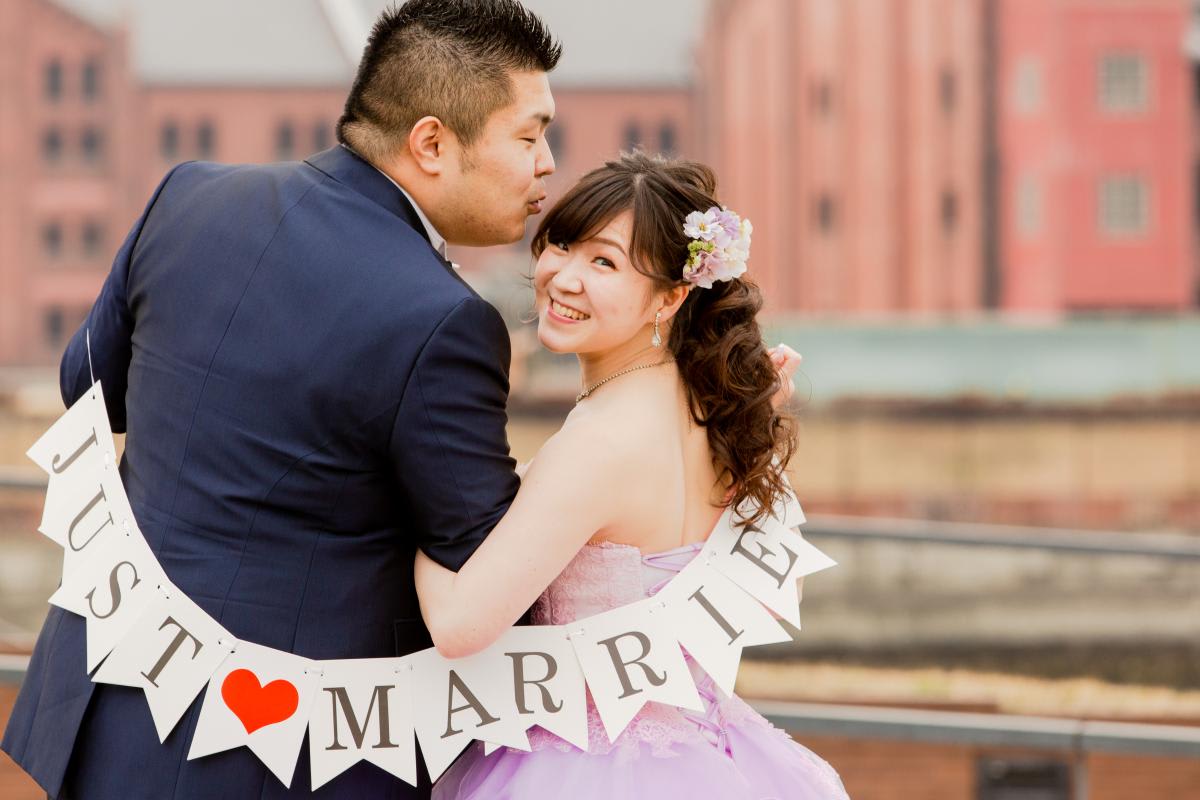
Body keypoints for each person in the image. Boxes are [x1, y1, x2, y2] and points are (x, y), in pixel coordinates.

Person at [2, 2, 560, 798]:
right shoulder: (445, 320)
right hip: (281, 759)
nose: (548, 164)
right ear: (432, 143)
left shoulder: (187, 194)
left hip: (107, 708)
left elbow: (84, 389)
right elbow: (483, 570)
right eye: (531, 136)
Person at [414, 153, 849, 799]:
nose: (564, 277)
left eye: (605, 263)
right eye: (562, 244)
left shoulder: (600, 441)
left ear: (671, 297)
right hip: (711, 754)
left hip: (583, 768)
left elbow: (460, 627)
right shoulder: (715, 412)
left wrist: (415, 502)